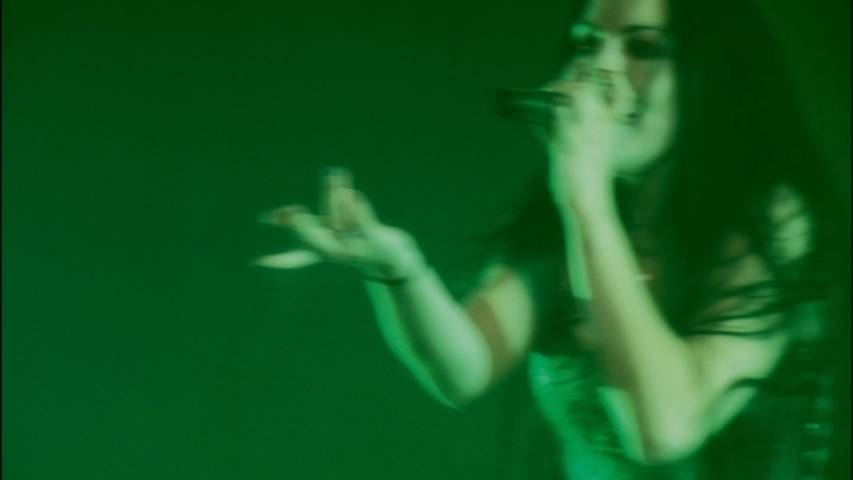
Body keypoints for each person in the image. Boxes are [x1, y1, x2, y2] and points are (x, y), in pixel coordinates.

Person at [255, 0, 847, 478]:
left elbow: (663, 429)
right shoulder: (573, 222)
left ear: (710, 73)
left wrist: (585, 196)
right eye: (587, 44)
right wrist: (398, 270)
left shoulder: (772, 218)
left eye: (643, 48)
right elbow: (463, 366)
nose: (600, 69)